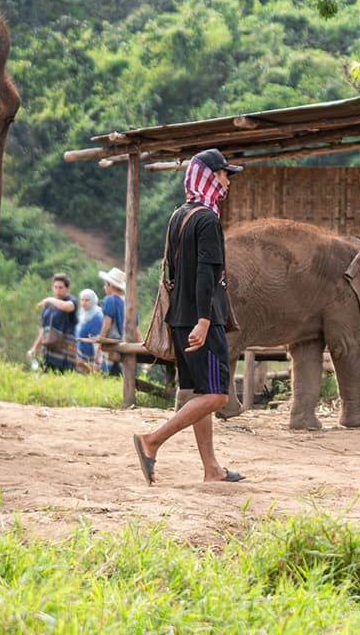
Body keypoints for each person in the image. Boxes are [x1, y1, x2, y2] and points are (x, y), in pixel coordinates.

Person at [133, 148, 247, 485]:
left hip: (178, 318)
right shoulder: (208, 220)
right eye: (225, 174)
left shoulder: (179, 216)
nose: (228, 181)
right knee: (218, 395)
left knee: (200, 393)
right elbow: (206, 275)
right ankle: (151, 441)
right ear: (210, 177)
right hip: (200, 321)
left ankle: (211, 469)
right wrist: (205, 320)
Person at [31, 273, 78, 373]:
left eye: (61, 287)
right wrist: (35, 347)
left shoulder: (71, 300)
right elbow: (44, 329)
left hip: (65, 352)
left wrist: (49, 299)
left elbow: (68, 307)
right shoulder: (48, 306)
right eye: (55, 287)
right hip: (49, 350)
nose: (57, 290)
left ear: (67, 288)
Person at [98, 268, 128, 376]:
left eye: (105, 284)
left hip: (111, 344)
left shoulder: (109, 300)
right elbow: (136, 328)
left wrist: (98, 347)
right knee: (120, 377)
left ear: (109, 284)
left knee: (107, 375)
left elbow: (106, 325)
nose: (104, 287)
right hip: (125, 344)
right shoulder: (128, 302)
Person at [75, 288, 104, 371]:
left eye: (87, 300)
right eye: (82, 300)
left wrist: (97, 359)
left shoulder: (97, 317)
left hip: (91, 359)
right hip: (80, 356)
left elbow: (97, 341)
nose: (84, 303)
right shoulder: (82, 314)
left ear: (93, 301)